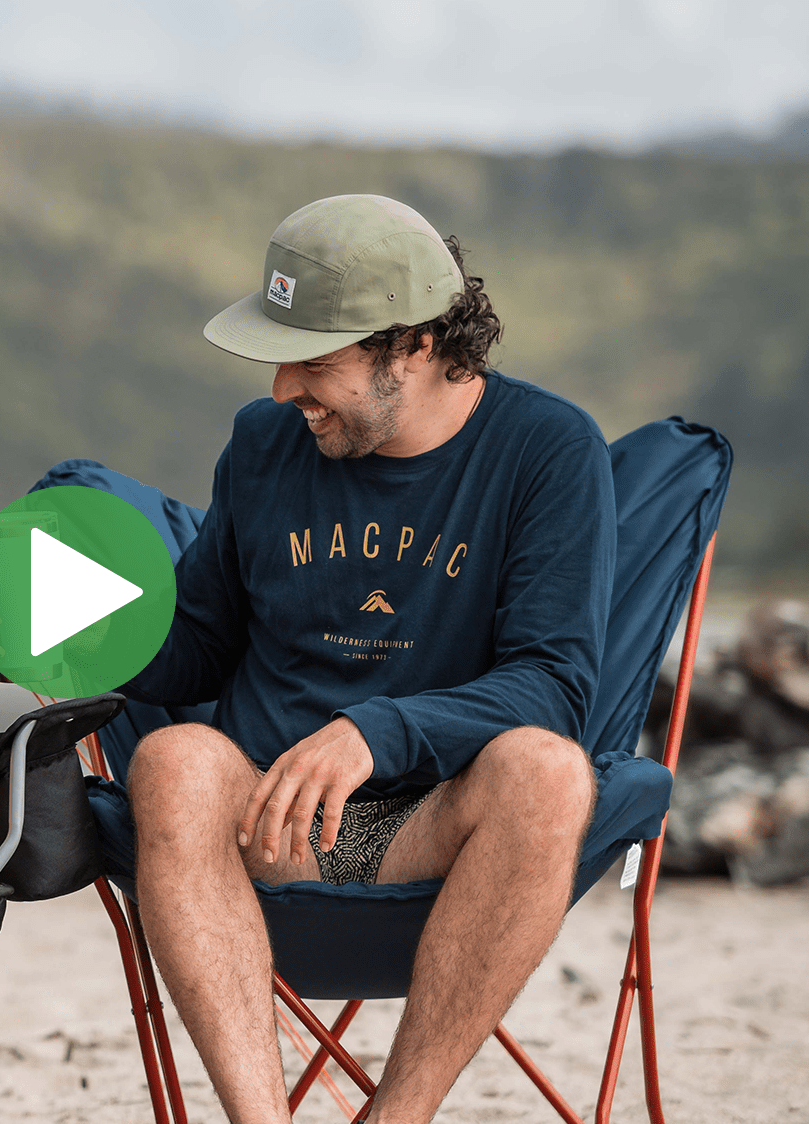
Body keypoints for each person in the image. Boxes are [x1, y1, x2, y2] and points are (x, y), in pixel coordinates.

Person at [124, 195, 613, 1124]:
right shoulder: (262, 443)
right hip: (268, 821)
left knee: (548, 772)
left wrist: (375, 733)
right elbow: (199, 648)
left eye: (315, 362)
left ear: (416, 345)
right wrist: (83, 634)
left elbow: (554, 684)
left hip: (436, 825)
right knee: (173, 759)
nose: (283, 390)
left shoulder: (548, 451)